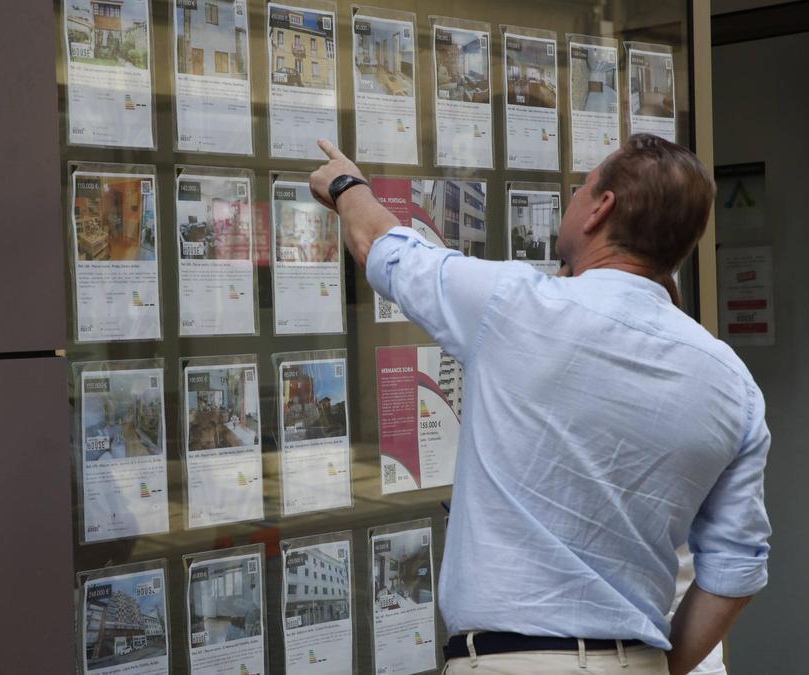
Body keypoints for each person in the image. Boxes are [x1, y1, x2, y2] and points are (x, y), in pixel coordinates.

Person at [309, 134, 770, 675]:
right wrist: (658, 668)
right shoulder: (733, 385)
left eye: (582, 188)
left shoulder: (514, 304)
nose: (573, 198)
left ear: (601, 208)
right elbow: (736, 571)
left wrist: (346, 185)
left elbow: (383, 247)